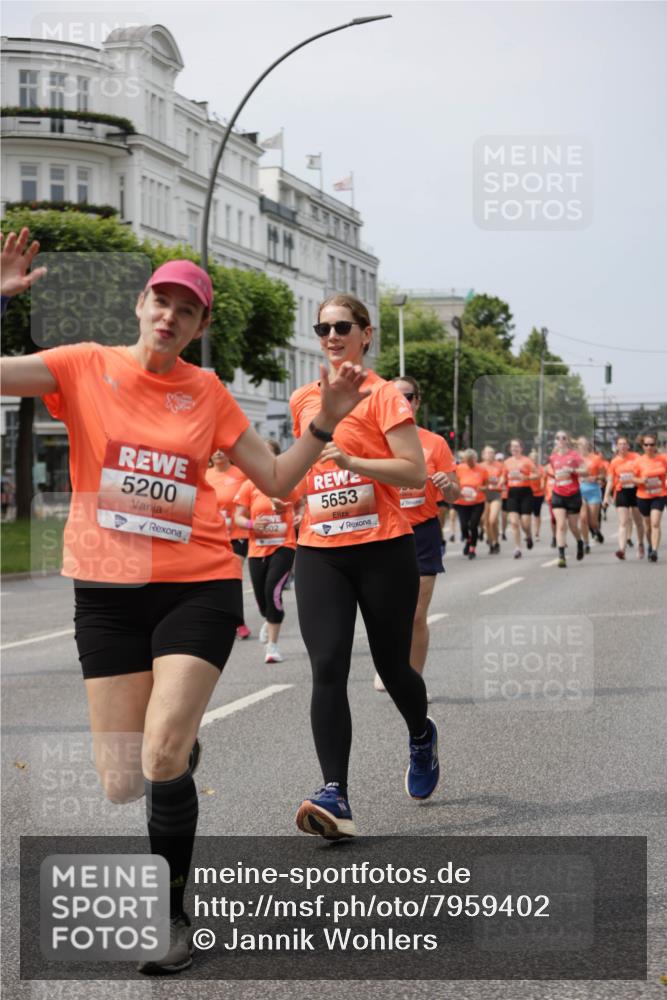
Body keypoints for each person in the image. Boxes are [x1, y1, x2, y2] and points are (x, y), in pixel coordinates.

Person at [0, 233, 369, 973]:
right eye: (161, 301)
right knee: (122, 780)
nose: (170, 316)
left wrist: (323, 422)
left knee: (162, 749)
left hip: (193, 585)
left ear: (199, 328)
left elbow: (276, 482)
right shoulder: (82, 366)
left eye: (186, 310)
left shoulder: (207, 394)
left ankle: (172, 919)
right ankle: (174, 751)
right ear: (141, 306)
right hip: (105, 592)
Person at [289, 294, 436, 842]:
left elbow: (413, 472)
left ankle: (421, 735)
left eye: (342, 325)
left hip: (383, 549)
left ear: (365, 334)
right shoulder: (304, 397)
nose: (331, 334)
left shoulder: (382, 398)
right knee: (327, 665)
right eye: (322, 326)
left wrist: (351, 462)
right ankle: (335, 793)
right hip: (320, 549)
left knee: (393, 666)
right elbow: (304, 466)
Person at [371, 376, 459, 699]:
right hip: (383, 531)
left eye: (407, 396)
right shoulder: (374, 440)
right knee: (383, 610)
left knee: (417, 613)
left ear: (417, 401)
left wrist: (447, 486)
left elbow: (454, 492)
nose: (401, 401)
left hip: (422, 532)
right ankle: (386, 663)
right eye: (394, 396)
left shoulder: (435, 443)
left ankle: (414, 682)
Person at [234, 439, 305, 662]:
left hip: (283, 546)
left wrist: (297, 514)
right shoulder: (248, 486)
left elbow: (300, 503)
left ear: (275, 457)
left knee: (272, 590)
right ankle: (268, 619)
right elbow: (239, 516)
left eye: (268, 454)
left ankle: (272, 646)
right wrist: (252, 525)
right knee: (262, 597)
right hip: (257, 549)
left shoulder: (286, 483)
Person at [205, 449, 251, 638]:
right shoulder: (204, 474)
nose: (217, 452)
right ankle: (219, 619)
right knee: (214, 580)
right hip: (212, 534)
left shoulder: (240, 473)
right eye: (213, 449)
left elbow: (252, 494)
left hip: (237, 534)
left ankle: (239, 622)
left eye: (221, 449)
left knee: (232, 575)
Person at [544, 431, 587, 567]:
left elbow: (586, 471)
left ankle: (579, 542)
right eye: (558, 438)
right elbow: (551, 471)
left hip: (573, 494)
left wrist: (573, 470)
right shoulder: (553, 457)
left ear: (567, 440)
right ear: (555, 441)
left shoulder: (574, 456)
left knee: (573, 526)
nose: (560, 440)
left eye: (563, 438)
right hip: (558, 494)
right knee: (561, 525)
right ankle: (561, 556)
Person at [604, 435, 645, 560]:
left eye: (624, 444)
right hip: (622, 492)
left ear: (628, 446)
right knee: (623, 522)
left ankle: (640, 545)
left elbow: (644, 472)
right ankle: (622, 549)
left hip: (636, 491)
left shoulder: (636, 458)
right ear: (617, 446)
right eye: (620, 444)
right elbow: (610, 481)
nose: (622, 446)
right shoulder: (614, 461)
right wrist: (606, 496)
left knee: (638, 521)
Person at [632, 433, 666, 563]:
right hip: (643, 496)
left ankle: (655, 551)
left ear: (655, 445)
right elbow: (633, 478)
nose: (649, 447)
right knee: (648, 526)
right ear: (643, 446)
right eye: (646, 444)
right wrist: (641, 480)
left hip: (660, 494)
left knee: (655, 523)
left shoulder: (663, 459)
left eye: (652, 444)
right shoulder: (638, 461)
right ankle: (650, 545)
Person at [502, 439, 538, 558]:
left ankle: (528, 535)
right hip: (512, 493)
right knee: (513, 522)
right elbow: (503, 477)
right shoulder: (507, 462)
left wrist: (526, 477)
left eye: (517, 446)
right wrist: (500, 482)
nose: (514, 449)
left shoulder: (527, 461)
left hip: (525, 493)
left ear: (521, 448)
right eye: (512, 447)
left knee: (525, 523)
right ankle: (517, 548)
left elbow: (536, 474)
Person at [455, 449, 488, 559]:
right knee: (464, 526)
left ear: (475, 459)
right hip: (462, 502)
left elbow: (486, 486)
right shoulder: (459, 468)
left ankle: (472, 548)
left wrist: (481, 488)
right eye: (467, 461)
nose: (469, 463)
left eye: (471, 461)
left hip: (477, 502)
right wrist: (458, 491)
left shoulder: (482, 469)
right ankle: (468, 540)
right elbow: (454, 483)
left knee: (473, 525)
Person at [577, 437, 605, 552]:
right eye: (579, 444)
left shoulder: (596, 458)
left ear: (588, 445)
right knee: (583, 519)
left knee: (592, 521)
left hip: (593, 490)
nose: (582, 446)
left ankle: (596, 531)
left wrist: (596, 477)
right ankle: (586, 543)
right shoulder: (575, 459)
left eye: (584, 444)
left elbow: (603, 475)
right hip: (579, 491)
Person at [480, 446, 503, 554]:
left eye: (492, 452)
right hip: (483, 495)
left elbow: (503, 477)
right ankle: (491, 542)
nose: (490, 455)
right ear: (483, 455)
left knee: (493, 520)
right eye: (488, 453)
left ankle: (496, 541)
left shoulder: (499, 466)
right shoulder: (480, 466)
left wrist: (500, 483)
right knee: (485, 522)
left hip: (495, 494)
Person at [528, 449, 546, 542]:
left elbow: (543, 478)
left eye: (535, 458)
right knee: (527, 514)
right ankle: (528, 533)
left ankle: (537, 533)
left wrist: (542, 485)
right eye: (532, 458)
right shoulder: (526, 468)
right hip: (528, 494)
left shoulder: (541, 468)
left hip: (538, 494)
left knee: (537, 514)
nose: (534, 459)